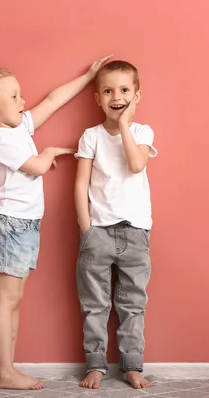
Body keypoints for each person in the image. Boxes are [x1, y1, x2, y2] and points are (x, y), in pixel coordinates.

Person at [0, 55, 112, 390]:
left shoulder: (17, 127)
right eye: (14, 96)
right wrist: (51, 151)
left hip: (22, 226)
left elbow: (53, 100)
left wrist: (88, 76)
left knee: (13, 302)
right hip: (9, 227)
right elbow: (37, 166)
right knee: (5, 302)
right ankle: (3, 372)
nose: (23, 101)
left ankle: (7, 369)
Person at [74, 60, 157, 389]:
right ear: (97, 98)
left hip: (135, 232)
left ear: (137, 95)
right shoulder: (90, 136)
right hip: (99, 233)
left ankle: (132, 366)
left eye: (124, 90)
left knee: (132, 304)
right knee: (94, 304)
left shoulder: (142, 132)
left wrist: (124, 123)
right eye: (108, 90)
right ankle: (95, 365)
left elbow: (136, 165)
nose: (116, 96)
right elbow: (81, 185)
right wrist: (86, 229)